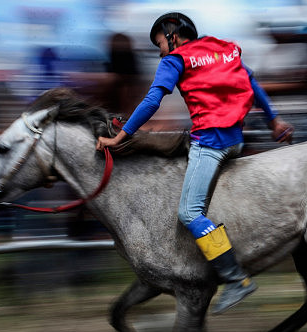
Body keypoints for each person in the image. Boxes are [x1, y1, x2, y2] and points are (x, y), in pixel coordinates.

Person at [96, 12, 294, 314]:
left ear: (172, 35)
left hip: (210, 146)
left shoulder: (175, 60)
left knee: (189, 212)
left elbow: (151, 102)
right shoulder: (222, 49)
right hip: (235, 141)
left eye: (159, 43)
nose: (160, 50)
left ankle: (234, 277)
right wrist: (274, 121)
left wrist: (119, 137)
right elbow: (251, 81)